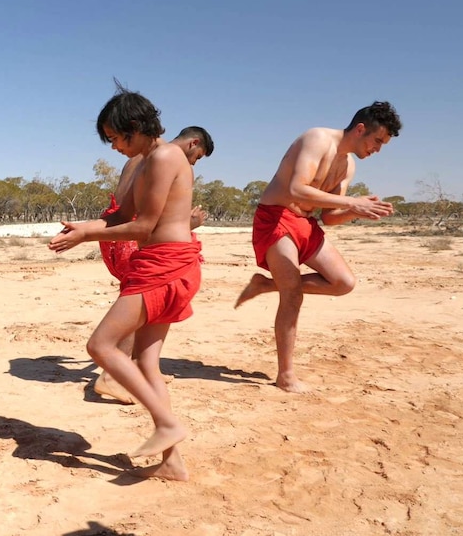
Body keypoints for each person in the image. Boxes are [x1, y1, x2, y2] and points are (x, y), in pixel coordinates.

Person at [49, 87, 202, 481]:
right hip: (161, 262)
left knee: (100, 345)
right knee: (147, 362)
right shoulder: (148, 159)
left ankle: (166, 424)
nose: (115, 146)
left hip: (165, 266)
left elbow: (145, 227)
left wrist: (85, 238)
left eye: (116, 138)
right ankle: (172, 462)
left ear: (135, 127)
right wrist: (83, 228)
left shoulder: (165, 156)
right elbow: (122, 220)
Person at [234, 101, 402, 393]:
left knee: (343, 282)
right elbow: (296, 189)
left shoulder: (348, 165)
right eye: (377, 141)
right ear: (360, 129)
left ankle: (265, 284)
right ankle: (285, 375)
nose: (378, 149)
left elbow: (329, 217)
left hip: (306, 224)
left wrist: (356, 211)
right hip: (275, 218)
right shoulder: (317, 139)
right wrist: (352, 202)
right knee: (293, 295)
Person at [94, 126, 214, 404]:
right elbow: (149, 217)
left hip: (121, 236)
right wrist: (189, 224)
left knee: (143, 303)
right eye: (197, 156)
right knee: (141, 300)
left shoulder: (138, 158)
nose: (193, 162)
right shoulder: (164, 158)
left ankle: (145, 369)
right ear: (193, 143)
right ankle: (112, 376)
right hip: (135, 237)